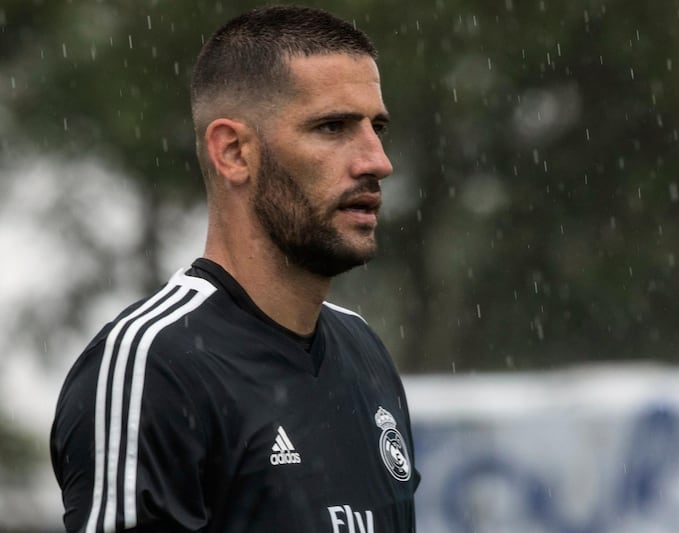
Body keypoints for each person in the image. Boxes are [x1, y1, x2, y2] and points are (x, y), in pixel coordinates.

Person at [50, 5, 419, 532]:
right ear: (233, 152)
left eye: (376, 126)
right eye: (333, 126)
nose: (377, 160)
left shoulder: (365, 352)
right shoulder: (155, 364)